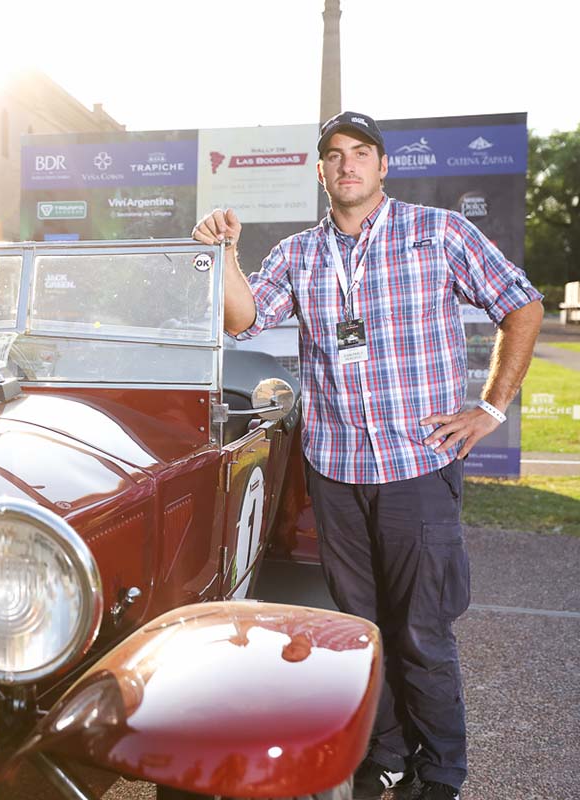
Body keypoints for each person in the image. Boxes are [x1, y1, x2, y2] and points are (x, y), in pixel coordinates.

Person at [193, 112, 543, 800]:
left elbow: (521, 306)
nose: (347, 163)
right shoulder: (298, 253)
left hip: (418, 467)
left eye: (360, 152)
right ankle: (383, 755)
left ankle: (440, 771)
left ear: (383, 166)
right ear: (320, 172)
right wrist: (227, 252)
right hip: (337, 471)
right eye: (334, 154)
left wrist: (491, 408)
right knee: (361, 628)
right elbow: (244, 320)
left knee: (422, 629)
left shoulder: (438, 233)